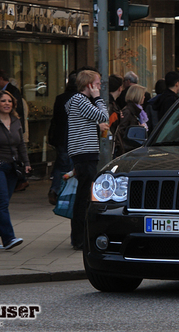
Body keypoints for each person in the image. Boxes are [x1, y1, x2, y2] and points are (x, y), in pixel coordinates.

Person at [65, 69, 110, 250]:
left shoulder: (79, 102)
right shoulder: (81, 100)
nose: (99, 87)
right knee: (84, 197)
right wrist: (98, 97)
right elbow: (104, 115)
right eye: (97, 84)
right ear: (89, 85)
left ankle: (80, 236)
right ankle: (79, 239)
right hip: (84, 153)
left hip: (83, 152)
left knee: (84, 195)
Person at [0, 90, 29, 250]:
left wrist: (26, 162)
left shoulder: (16, 121)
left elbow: (21, 145)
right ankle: (8, 238)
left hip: (13, 167)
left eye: (9, 101)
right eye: (3, 101)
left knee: (1, 204)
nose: (6, 104)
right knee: (2, 202)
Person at [47, 72, 77, 205]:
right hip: (71, 137)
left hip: (61, 137)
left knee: (61, 164)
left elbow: (56, 119)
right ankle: (61, 190)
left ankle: (56, 189)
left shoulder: (60, 98)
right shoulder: (79, 99)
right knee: (68, 166)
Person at [114, 84, 148, 156]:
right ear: (137, 96)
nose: (144, 97)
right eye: (143, 95)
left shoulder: (138, 111)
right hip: (129, 149)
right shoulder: (128, 111)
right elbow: (121, 130)